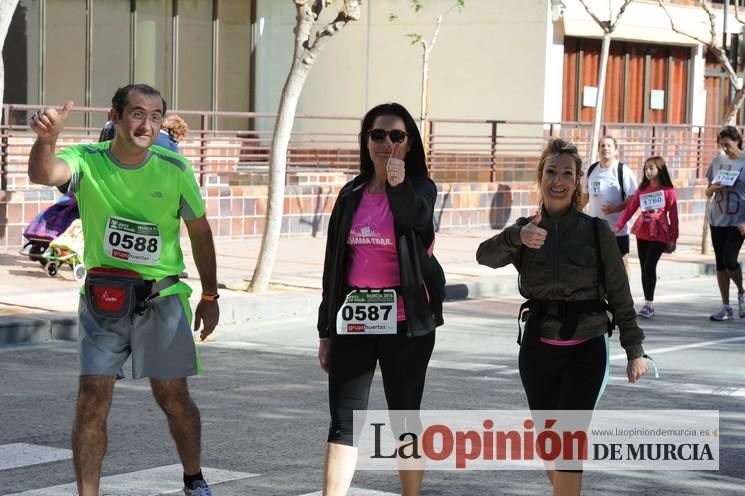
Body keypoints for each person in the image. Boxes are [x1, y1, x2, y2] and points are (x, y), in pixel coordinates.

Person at [27, 84, 219, 496]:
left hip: (162, 299)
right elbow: (45, 173)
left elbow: (200, 233)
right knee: (92, 396)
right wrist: (47, 140)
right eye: (136, 114)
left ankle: (193, 477)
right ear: (114, 117)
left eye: (154, 116)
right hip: (103, 301)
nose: (146, 124)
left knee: (172, 396)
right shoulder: (87, 160)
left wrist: (210, 295)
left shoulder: (175, 169)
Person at [476, 138, 648, 496]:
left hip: (586, 347)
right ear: (541, 177)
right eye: (551, 172)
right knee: (548, 443)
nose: (558, 180)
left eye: (567, 173)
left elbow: (619, 294)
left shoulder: (595, 231)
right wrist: (516, 237)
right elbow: (484, 256)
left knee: (568, 443)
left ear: (576, 182)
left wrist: (634, 350)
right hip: (538, 346)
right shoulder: (526, 228)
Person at [316, 102, 444, 496]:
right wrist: (326, 330)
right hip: (354, 318)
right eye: (377, 135)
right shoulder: (351, 193)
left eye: (396, 136)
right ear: (366, 141)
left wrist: (397, 183)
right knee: (344, 421)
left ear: (409, 143)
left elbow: (415, 218)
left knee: (403, 417)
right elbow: (333, 263)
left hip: (406, 322)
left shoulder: (421, 188)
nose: (386, 142)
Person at [614, 156, 679, 319]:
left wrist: (673, 238)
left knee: (650, 265)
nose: (648, 171)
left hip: (660, 233)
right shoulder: (642, 190)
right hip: (643, 231)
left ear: (660, 170)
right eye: (645, 168)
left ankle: (649, 303)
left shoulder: (668, 192)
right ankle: (647, 302)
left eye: (651, 168)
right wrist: (618, 226)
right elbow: (629, 210)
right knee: (644, 267)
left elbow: (674, 216)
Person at [705, 126, 745, 321]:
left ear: (737, 140)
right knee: (721, 263)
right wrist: (713, 187)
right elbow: (707, 191)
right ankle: (725, 306)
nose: (725, 149)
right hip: (717, 218)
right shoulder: (717, 162)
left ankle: (741, 291)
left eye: (727, 145)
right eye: (722, 145)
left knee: (730, 259)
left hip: (738, 220)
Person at [583, 136, 638, 270]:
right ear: (598, 150)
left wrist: (616, 208)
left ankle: (624, 290)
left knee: (620, 263)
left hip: (616, 229)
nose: (605, 148)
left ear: (616, 151)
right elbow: (585, 196)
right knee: (597, 264)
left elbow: (634, 199)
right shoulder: (591, 170)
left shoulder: (622, 171)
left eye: (609, 146)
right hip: (595, 228)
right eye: (602, 146)